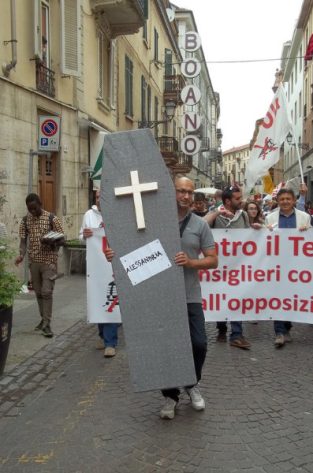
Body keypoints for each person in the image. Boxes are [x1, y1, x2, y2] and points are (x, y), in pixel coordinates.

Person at [104, 176, 218, 420]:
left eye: (189, 192)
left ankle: (191, 383)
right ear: (171, 193)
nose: (186, 196)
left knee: (199, 344)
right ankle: (170, 395)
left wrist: (191, 262)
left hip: (189, 296)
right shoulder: (153, 222)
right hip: (159, 296)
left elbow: (213, 259)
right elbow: (131, 248)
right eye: (181, 191)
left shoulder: (200, 225)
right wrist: (113, 253)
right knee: (163, 347)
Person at [204, 185, 252, 349]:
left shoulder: (243, 215)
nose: (241, 201)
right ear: (227, 201)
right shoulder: (215, 214)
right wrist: (218, 213)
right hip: (218, 268)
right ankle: (221, 328)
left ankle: (237, 334)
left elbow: (248, 236)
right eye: (237, 199)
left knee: (236, 298)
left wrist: (256, 230)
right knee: (221, 298)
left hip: (237, 267)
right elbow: (202, 225)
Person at [265, 187, 311, 347]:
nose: (285, 201)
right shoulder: (270, 218)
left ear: (293, 200)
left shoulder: (304, 217)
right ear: (278, 201)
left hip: (297, 266)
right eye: (282, 199)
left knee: (292, 296)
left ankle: (287, 326)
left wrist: (308, 230)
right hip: (276, 266)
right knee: (277, 296)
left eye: (288, 199)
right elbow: (262, 241)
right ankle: (279, 331)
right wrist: (265, 232)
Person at [15, 193, 64, 337]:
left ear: (40, 204)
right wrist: (21, 254)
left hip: (49, 261)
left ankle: (47, 325)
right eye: (30, 209)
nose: (33, 212)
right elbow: (23, 241)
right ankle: (43, 319)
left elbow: (62, 239)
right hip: (34, 262)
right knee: (38, 292)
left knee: (46, 292)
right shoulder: (25, 221)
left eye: (35, 208)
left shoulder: (52, 218)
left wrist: (51, 241)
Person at [79, 189, 119, 358]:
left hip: (112, 265)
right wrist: (85, 235)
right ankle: (102, 336)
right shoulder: (89, 214)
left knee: (111, 300)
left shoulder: (117, 214)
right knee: (98, 301)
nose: (99, 200)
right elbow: (81, 235)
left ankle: (111, 342)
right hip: (95, 266)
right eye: (97, 197)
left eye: (102, 196)